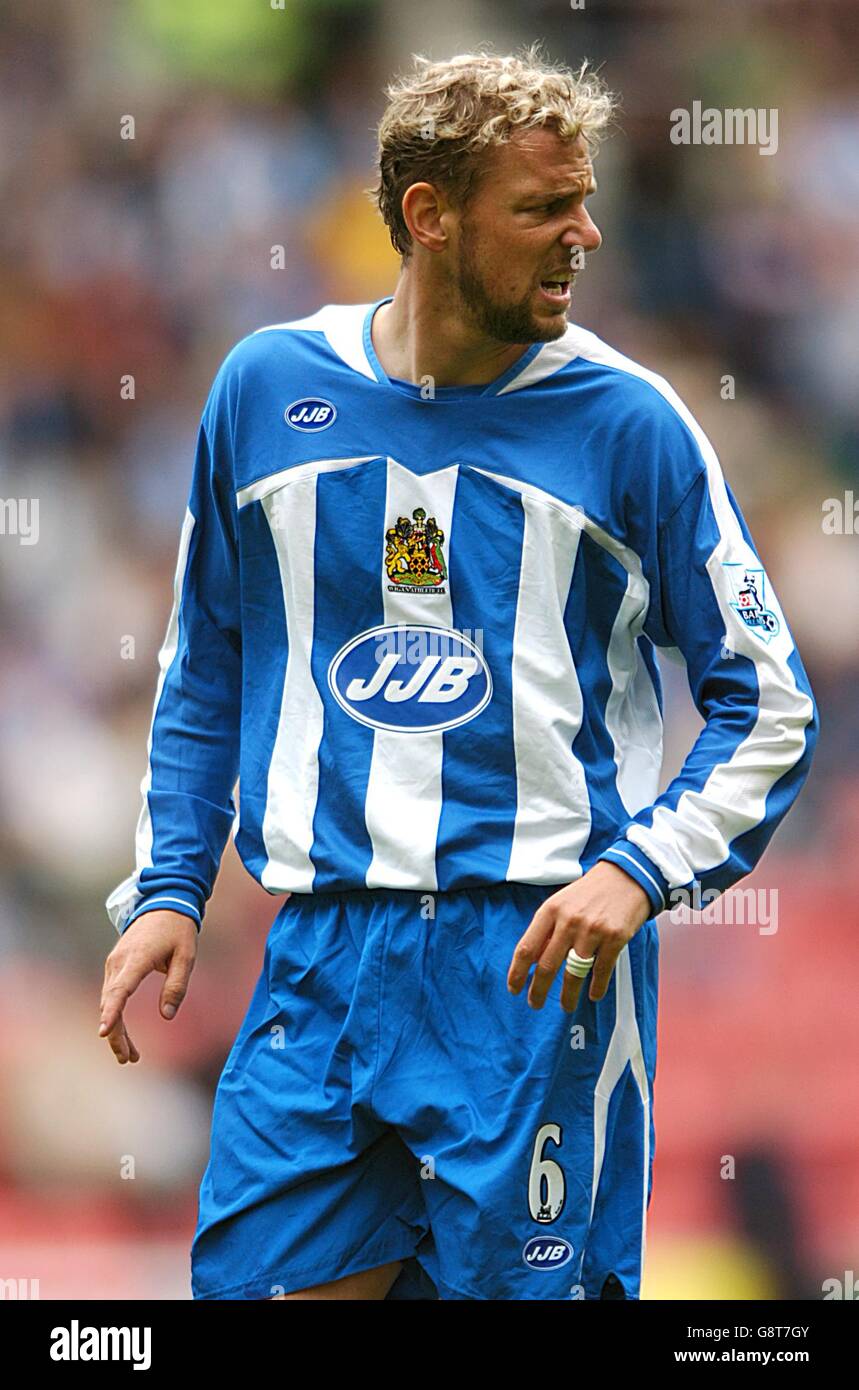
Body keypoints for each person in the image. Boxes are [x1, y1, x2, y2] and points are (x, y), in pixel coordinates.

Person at [100, 47, 818, 1301]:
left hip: (535, 967)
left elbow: (770, 702)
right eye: (544, 207)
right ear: (429, 216)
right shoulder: (266, 393)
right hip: (322, 958)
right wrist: (169, 885)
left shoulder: (630, 422)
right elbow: (204, 664)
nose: (584, 234)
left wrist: (637, 870)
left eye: (585, 202)